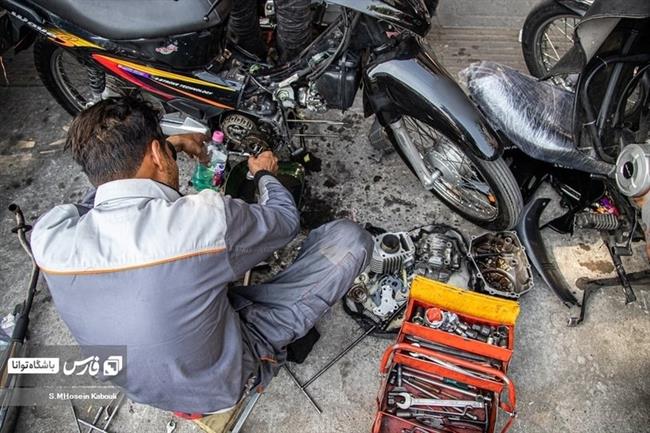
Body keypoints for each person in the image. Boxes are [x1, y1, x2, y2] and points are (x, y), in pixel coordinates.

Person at [30, 97, 373, 414]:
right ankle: (256, 363)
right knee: (349, 239)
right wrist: (265, 173)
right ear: (156, 153)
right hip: (221, 385)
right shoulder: (201, 221)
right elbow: (285, 221)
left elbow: (105, 197)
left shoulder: (49, 239)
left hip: (139, 388)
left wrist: (169, 148)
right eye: (163, 149)